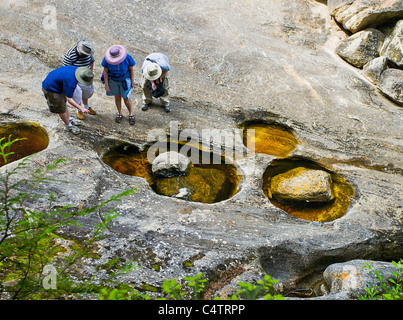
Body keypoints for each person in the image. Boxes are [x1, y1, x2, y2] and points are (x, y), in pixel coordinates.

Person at [42, 66, 94, 135]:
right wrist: (81, 108)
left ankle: (69, 118)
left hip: (58, 84)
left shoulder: (77, 70)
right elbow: (69, 99)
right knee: (60, 108)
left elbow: (66, 98)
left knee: (63, 102)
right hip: (51, 88)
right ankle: (68, 126)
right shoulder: (70, 82)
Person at [102, 45, 135, 125]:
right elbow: (105, 72)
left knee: (126, 97)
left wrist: (132, 81)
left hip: (124, 79)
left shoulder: (127, 57)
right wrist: (106, 84)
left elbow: (131, 69)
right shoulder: (106, 59)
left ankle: (131, 114)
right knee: (117, 97)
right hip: (113, 80)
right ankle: (120, 113)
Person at [62, 40, 96, 120]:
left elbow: (92, 61)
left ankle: (86, 106)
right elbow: (65, 69)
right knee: (77, 94)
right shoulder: (70, 55)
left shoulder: (88, 52)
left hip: (85, 76)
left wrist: (90, 72)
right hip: (75, 77)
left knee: (87, 92)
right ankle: (79, 109)